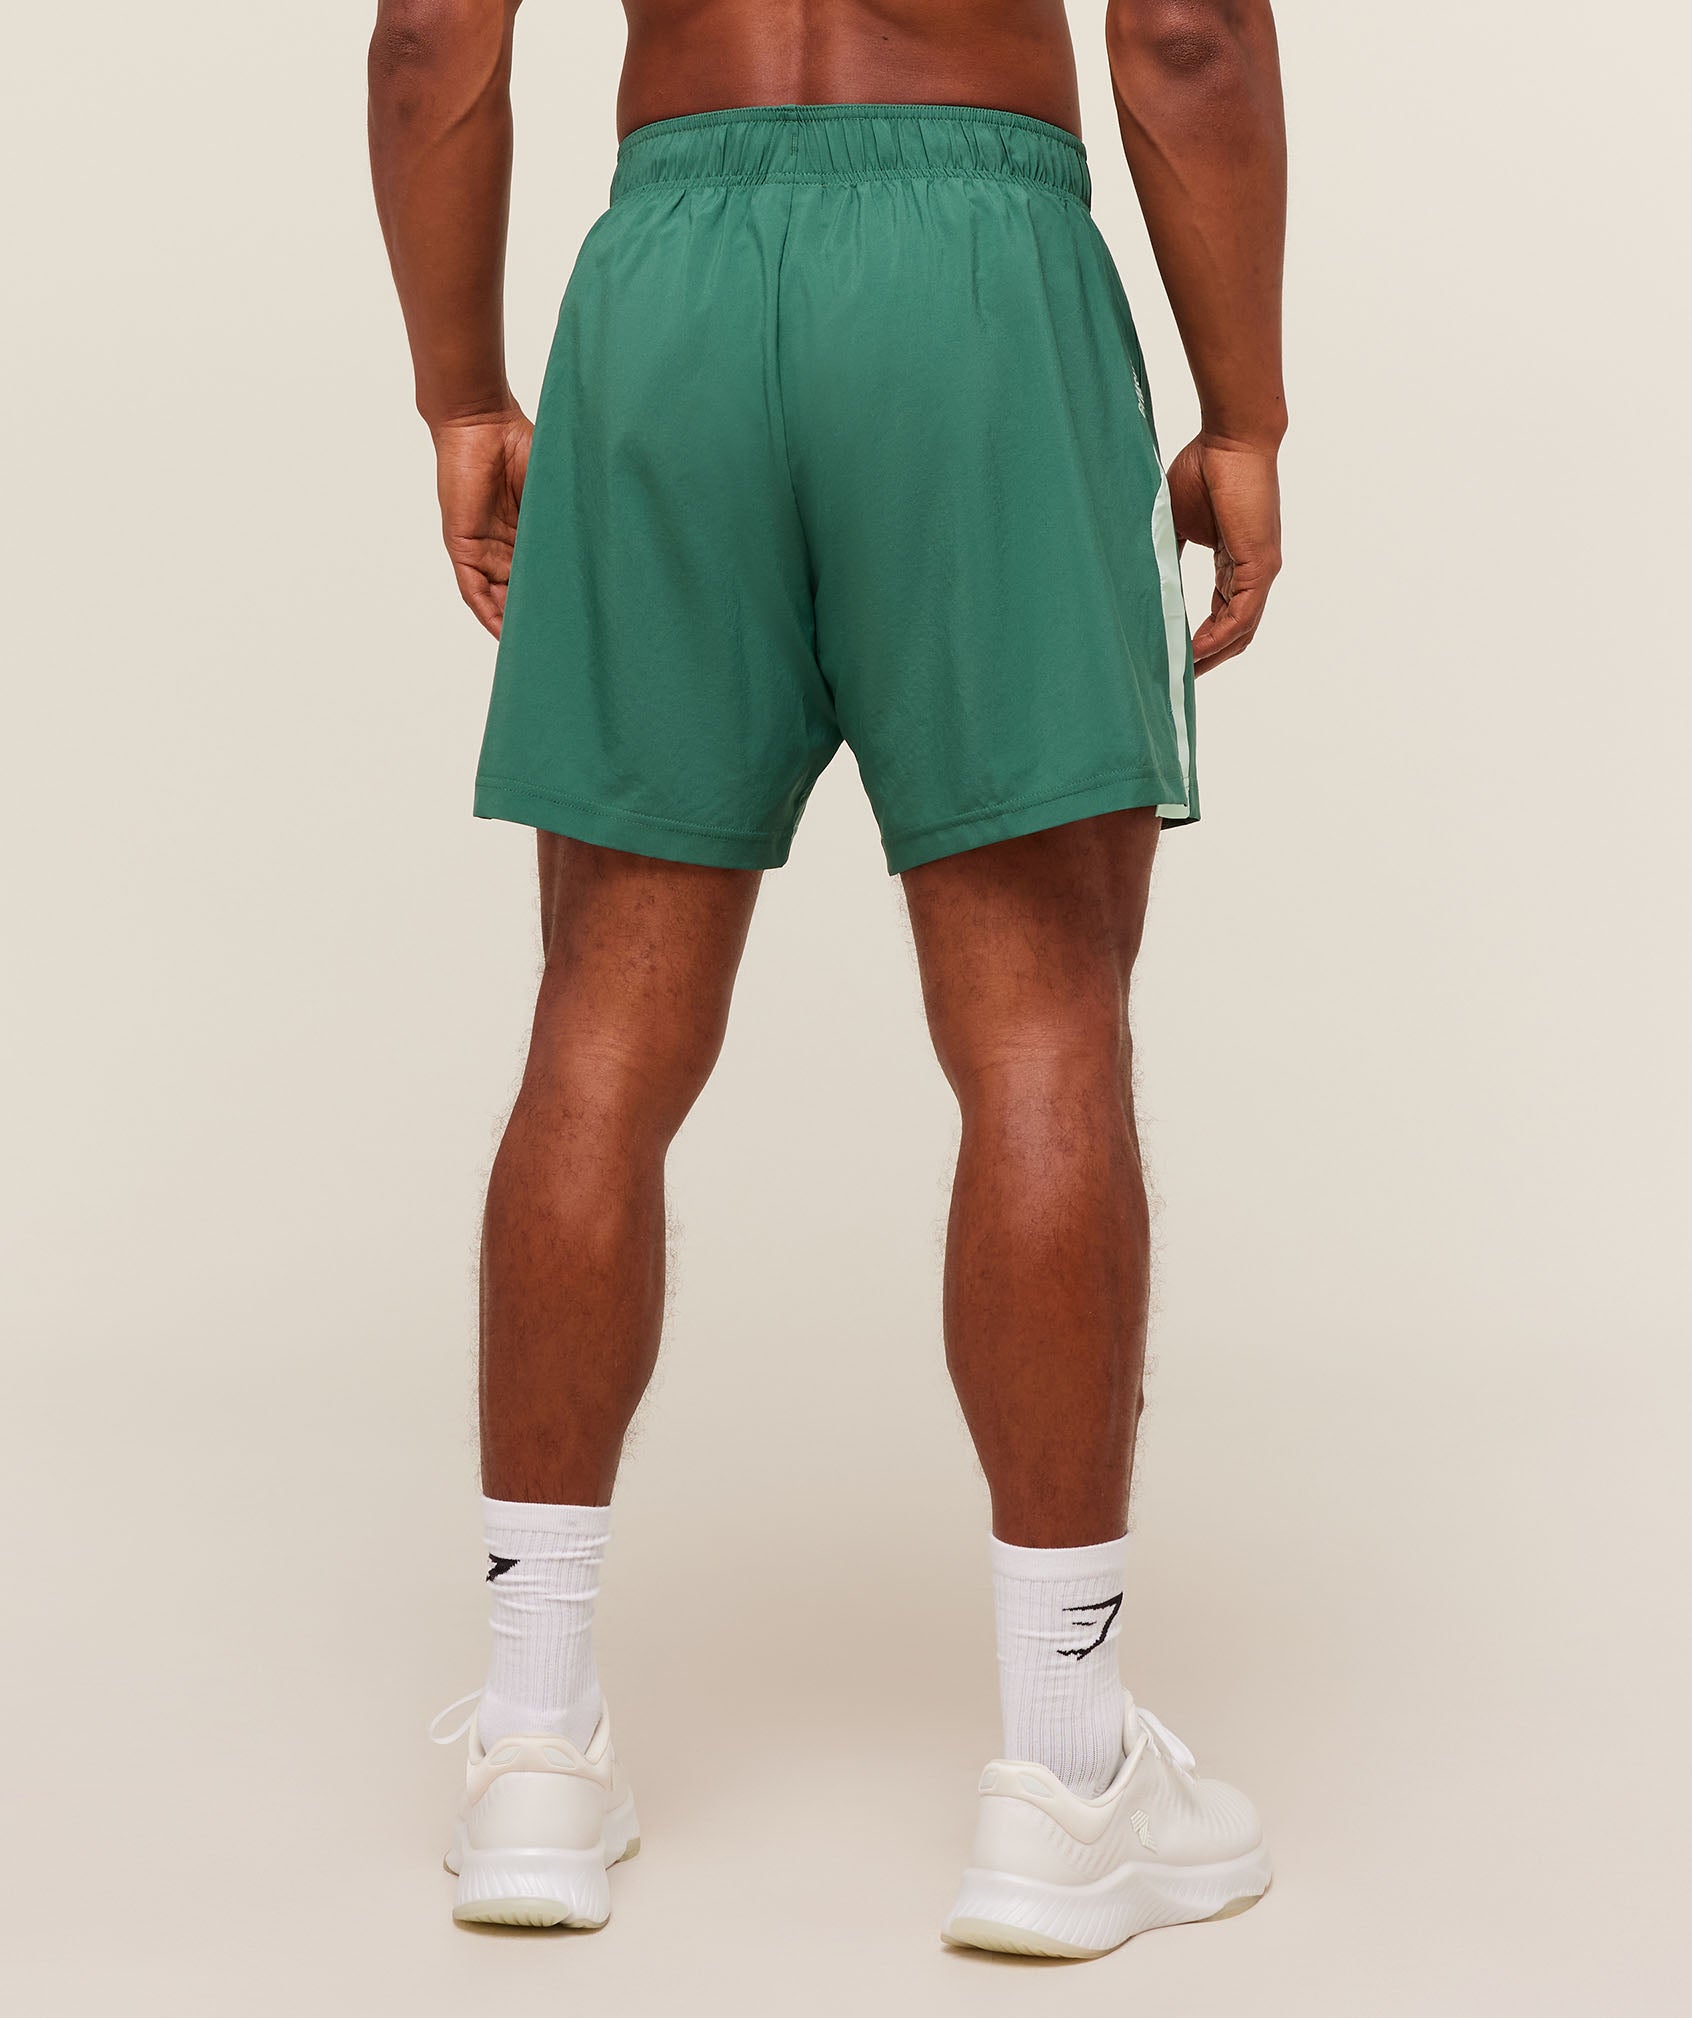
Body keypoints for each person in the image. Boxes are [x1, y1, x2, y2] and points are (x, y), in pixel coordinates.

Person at [370, 0, 1286, 1958]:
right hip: (979, 279)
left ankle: (534, 1746)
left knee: (599, 1031)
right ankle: (1067, 1779)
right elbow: (1188, 34)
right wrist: (1248, 415)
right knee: (1041, 1022)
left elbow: (433, 31)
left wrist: (459, 394)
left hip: (672, 277)